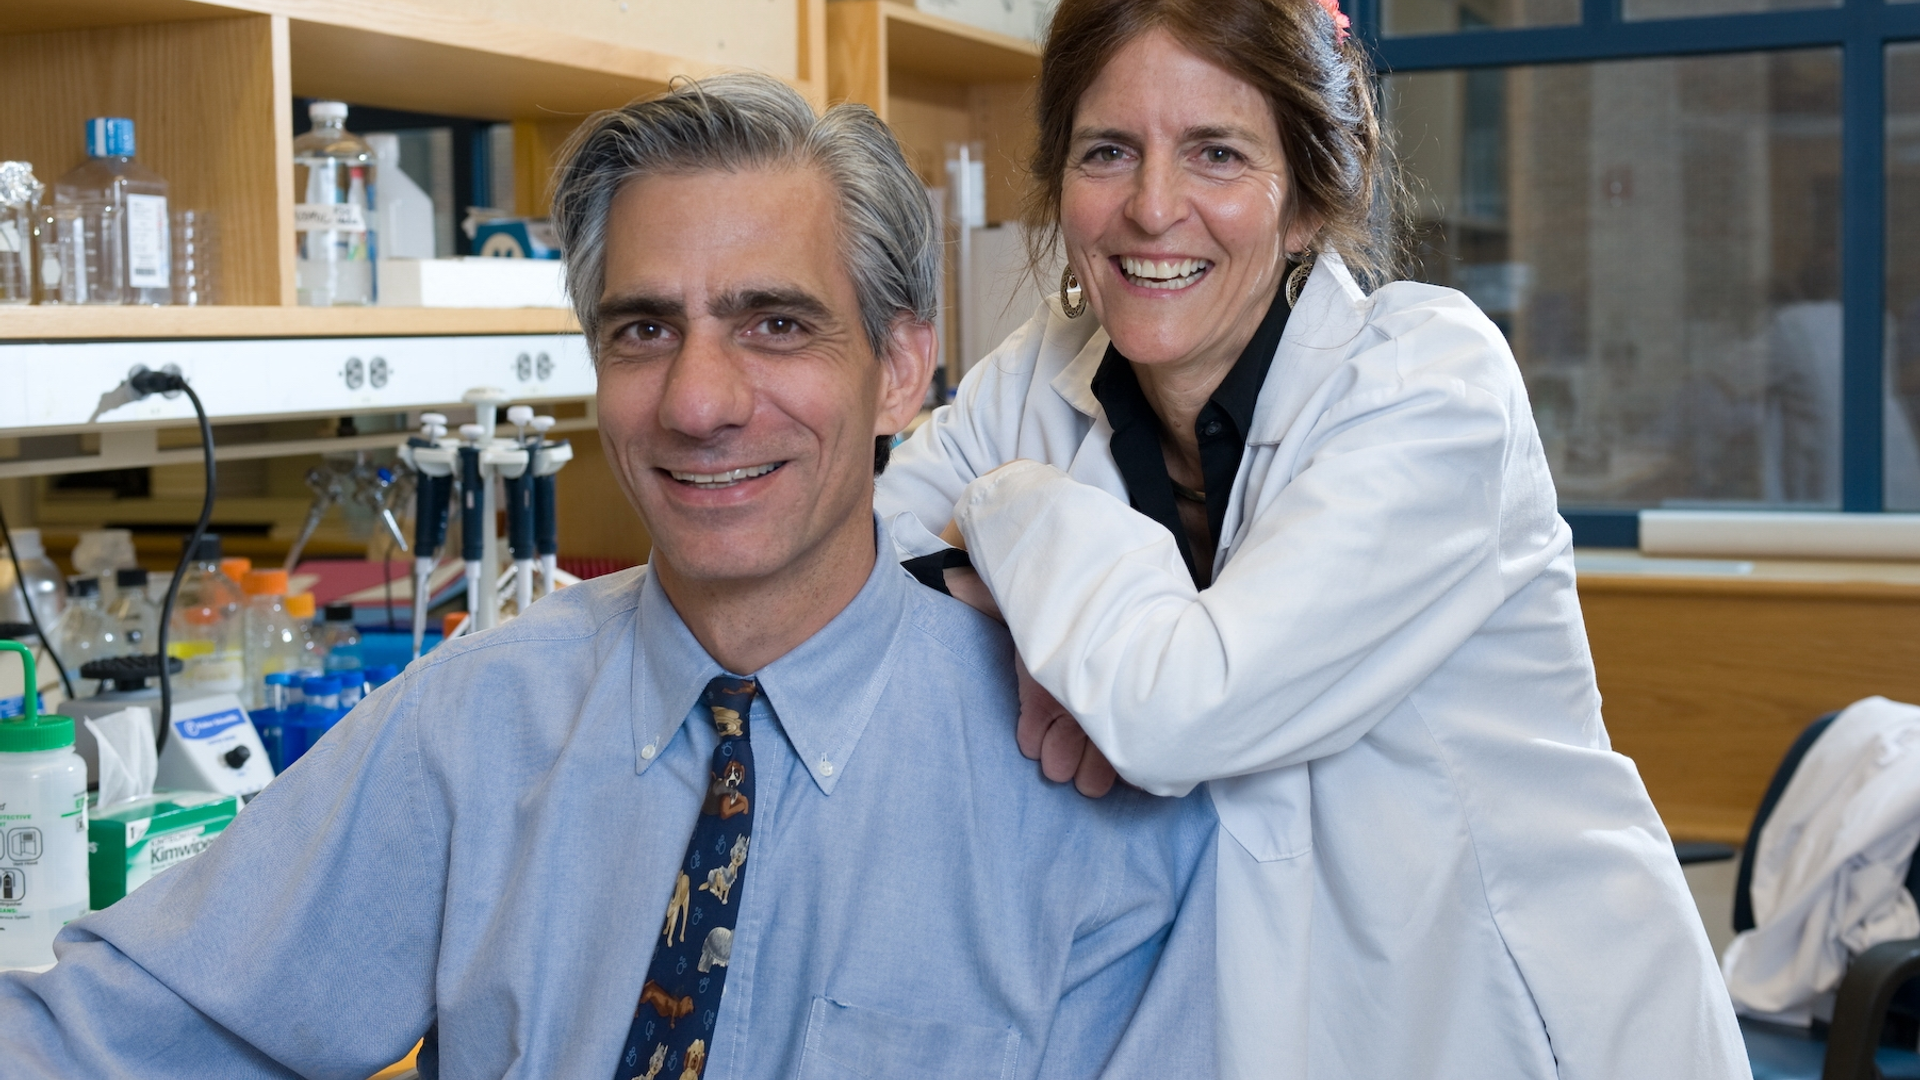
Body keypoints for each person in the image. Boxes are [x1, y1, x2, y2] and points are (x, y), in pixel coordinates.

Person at [0, 74, 1217, 1079]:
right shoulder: (470, 728)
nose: (697, 401)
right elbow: (106, 1032)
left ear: (901, 369)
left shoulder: (1078, 792)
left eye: (776, 324)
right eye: (645, 330)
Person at [874, 1, 1748, 1077]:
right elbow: (869, 549)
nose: (1153, 206)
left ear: (1307, 199)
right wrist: (1018, 619)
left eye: (1217, 152)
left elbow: (1179, 706)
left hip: (1521, 1024)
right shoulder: (1038, 371)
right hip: (1254, 1011)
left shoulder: (1432, 385)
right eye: (1108, 151)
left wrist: (1009, 510)